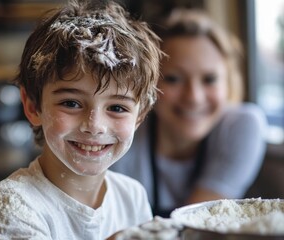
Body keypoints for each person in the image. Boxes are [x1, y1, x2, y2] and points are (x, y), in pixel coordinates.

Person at [0, 0, 163, 239]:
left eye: (116, 107)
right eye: (71, 103)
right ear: (33, 106)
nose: (94, 125)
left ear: (140, 116)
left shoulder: (131, 196)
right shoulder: (11, 209)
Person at [111, 8, 267, 218]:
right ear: (147, 83)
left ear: (228, 83)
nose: (194, 97)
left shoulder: (243, 125)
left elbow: (198, 224)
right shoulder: (121, 132)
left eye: (209, 79)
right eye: (174, 78)